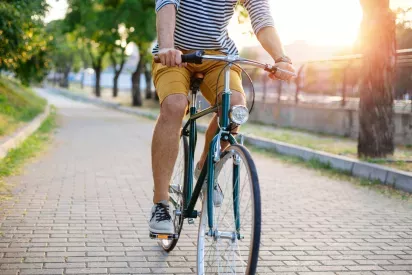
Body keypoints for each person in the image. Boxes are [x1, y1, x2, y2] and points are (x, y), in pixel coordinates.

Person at [149, 0, 296, 235]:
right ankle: (160, 202)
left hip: (217, 55)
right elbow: (166, 4)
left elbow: (261, 16)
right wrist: (167, 46)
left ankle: (205, 170)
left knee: (235, 108)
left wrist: (281, 57)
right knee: (175, 105)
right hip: (175, 53)